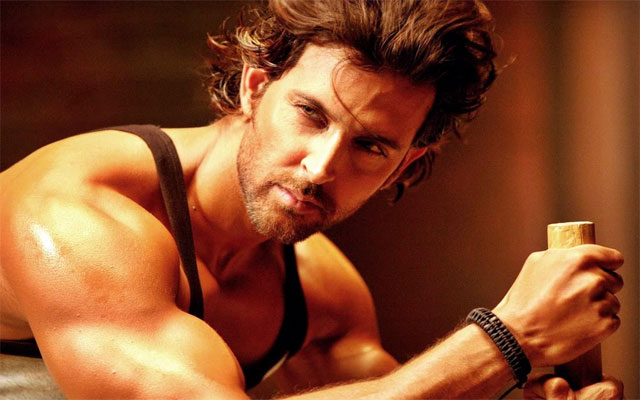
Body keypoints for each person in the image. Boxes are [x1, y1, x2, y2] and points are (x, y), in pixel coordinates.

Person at [0, 0, 625, 398]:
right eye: (310, 114)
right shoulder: (74, 212)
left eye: (371, 146)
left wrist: (511, 384)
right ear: (254, 87)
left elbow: (405, 394)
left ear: (406, 164)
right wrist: (507, 338)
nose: (322, 167)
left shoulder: (322, 296)